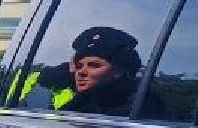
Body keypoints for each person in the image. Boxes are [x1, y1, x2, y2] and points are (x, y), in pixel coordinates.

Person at [15, 25, 143, 115]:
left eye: (94, 65)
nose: (80, 72)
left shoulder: (139, 105)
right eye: (79, 66)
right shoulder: (73, 93)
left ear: (119, 72)